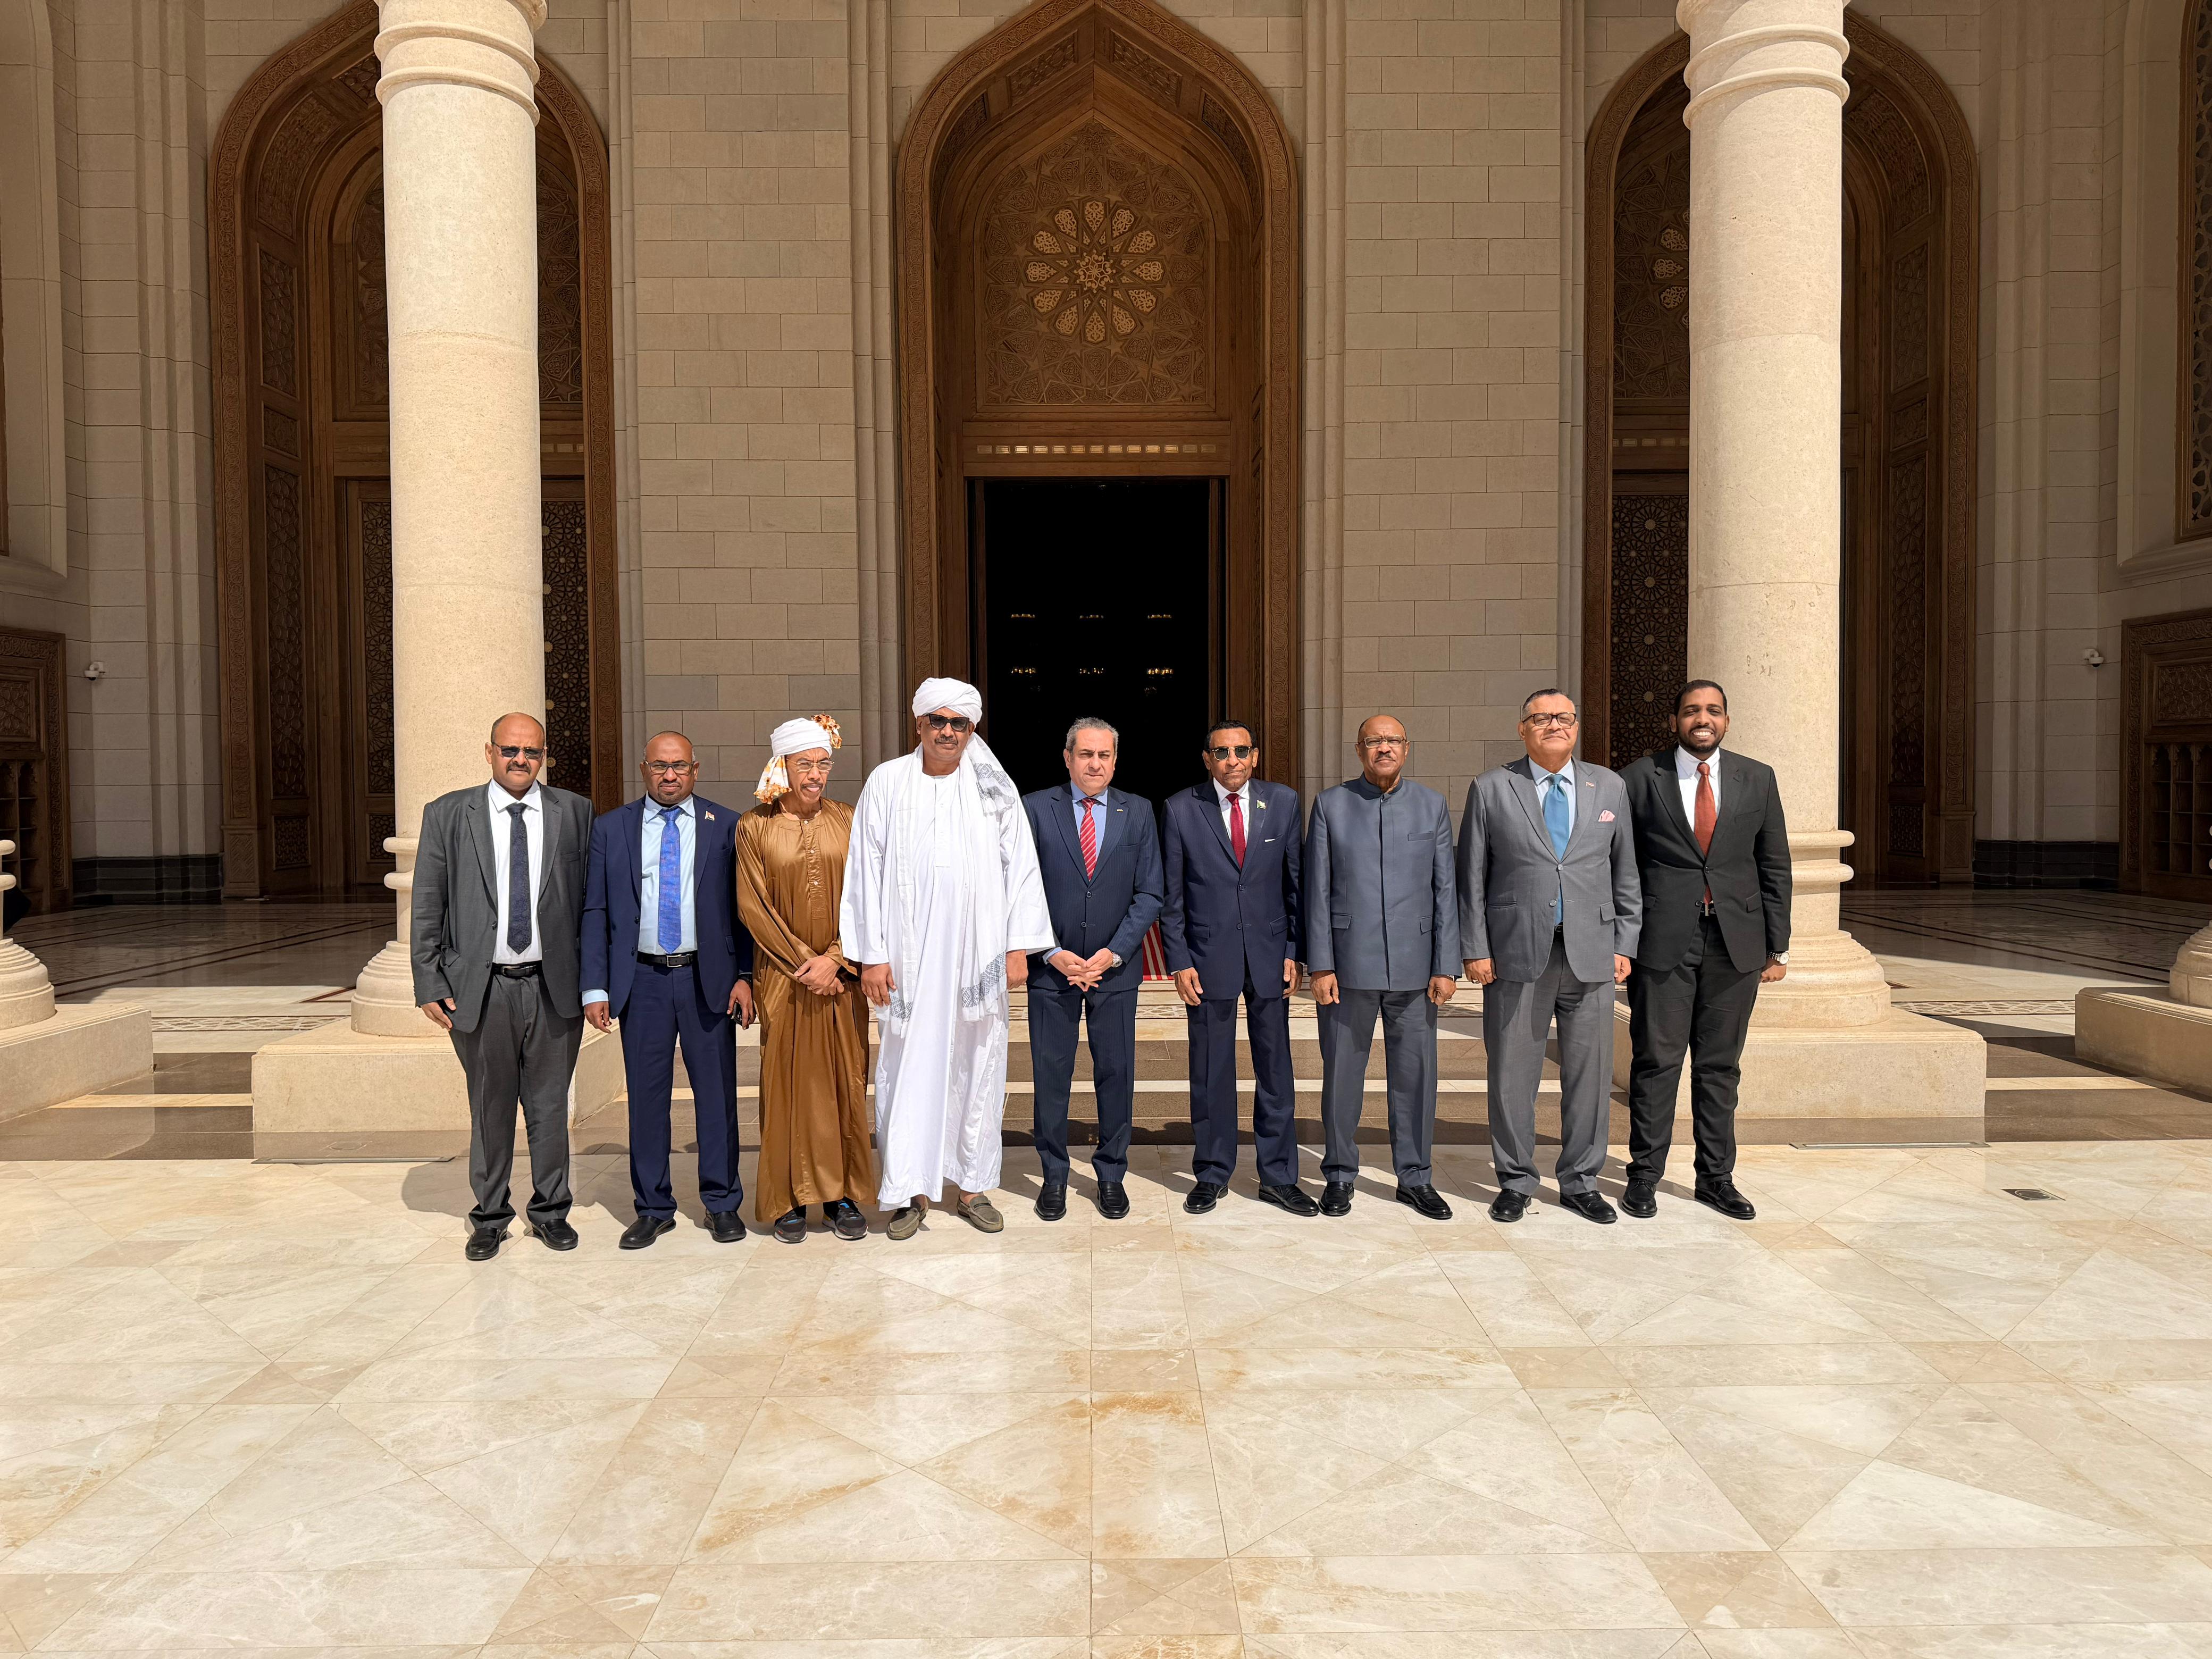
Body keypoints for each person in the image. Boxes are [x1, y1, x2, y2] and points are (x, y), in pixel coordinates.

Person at [842, 679, 1054, 1239]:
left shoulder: (994, 788)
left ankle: (972, 1188)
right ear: (918, 724)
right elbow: (864, 868)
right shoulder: (887, 781)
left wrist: (1017, 945)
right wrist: (872, 956)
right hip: (907, 962)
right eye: (936, 720)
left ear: (971, 729)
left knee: (977, 1065)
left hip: (976, 957)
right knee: (906, 1069)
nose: (946, 731)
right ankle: (909, 1191)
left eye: (958, 723)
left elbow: (1020, 866)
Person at [413, 712, 594, 1260]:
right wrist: (428, 980)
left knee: (549, 1107)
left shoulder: (575, 812)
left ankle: (550, 1211)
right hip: (482, 988)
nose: (521, 760)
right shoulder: (449, 813)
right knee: (490, 1107)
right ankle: (490, 1217)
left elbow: (591, 902)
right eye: (510, 750)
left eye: (532, 752)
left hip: (552, 986)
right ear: (489, 752)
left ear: (544, 757)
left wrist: (595, 982)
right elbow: (428, 901)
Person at [1457, 689, 1641, 1225]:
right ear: (1522, 729)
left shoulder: (1609, 786)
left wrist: (1624, 942)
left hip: (1592, 953)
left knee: (1589, 1076)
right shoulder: (1492, 787)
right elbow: (1472, 877)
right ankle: (1515, 1180)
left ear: (1576, 726)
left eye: (1563, 717)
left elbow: (1626, 872)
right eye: (1541, 718)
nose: (1553, 725)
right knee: (1512, 1076)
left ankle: (1581, 1181)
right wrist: (1475, 948)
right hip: (1515, 953)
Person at [1618, 680, 1791, 1221]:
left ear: (1726, 721)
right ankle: (1644, 1176)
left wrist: (1778, 946)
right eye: (1692, 710)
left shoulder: (1757, 777)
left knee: (1719, 1066)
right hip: (1661, 942)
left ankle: (1715, 1179)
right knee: (1656, 1062)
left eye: (1713, 710)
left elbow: (1774, 863)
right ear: (1674, 721)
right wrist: (1620, 939)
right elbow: (1620, 863)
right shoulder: (1638, 778)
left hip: (1736, 944)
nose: (1702, 719)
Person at [582, 731, 756, 1250]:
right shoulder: (611, 829)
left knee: (717, 1097)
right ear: (644, 770)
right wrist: (595, 987)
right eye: (659, 766)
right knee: (647, 1099)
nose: (670, 775)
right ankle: (654, 1208)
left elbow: (744, 912)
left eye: (679, 765)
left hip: (708, 981)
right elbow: (595, 910)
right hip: (643, 982)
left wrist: (745, 976)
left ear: (695, 769)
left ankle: (722, 1203)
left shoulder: (727, 826)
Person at [1303, 715, 1460, 1220]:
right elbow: (1316, 891)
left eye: (1393, 741)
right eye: (1374, 741)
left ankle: (1415, 1178)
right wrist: (1320, 965)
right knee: (1342, 1078)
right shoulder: (1331, 805)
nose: (1384, 748)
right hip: (1347, 968)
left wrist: (1446, 964)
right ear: (1359, 750)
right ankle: (1339, 1175)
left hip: (1416, 969)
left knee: (1416, 1079)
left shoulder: (1432, 805)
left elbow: (1445, 890)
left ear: (1407, 748)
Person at [1160, 719, 1313, 1215]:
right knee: (1211, 1071)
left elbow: (1297, 884)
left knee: (1276, 1071)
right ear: (1207, 759)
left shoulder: (1283, 802)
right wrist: (1179, 960)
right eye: (1222, 752)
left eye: (1242, 751)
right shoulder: (1181, 808)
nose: (1233, 760)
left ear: (1256, 756)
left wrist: (1295, 950)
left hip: (1271, 957)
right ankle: (1212, 1173)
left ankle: (1279, 1177)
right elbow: (1172, 896)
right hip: (1208, 958)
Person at [738, 715, 875, 1243]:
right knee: (787, 1085)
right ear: (782, 768)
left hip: (843, 979)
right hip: (784, 978)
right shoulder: (753, 827)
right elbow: (754, 907)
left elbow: (868, 897)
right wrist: (807, 964)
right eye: (804, 765)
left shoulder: (849, 819)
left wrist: (836, 959)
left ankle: (842, 1196)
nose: (815, 775)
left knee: (845, 1081)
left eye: (823, 764)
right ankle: (788, 1199)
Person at [1021, 717, 1164, 1222]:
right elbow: (1020, 888)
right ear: (1068, 758)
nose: (1095, 764)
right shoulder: (1035, 808)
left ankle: (1110, 1174)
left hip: (1115, 972)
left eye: (1104, 755)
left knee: (1116, 1074)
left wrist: (1114, 952)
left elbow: (1151, 892)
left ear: (1116, 761)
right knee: (1051, 1076)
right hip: (1052, 970)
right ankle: (1054, 1176)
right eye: (1086, 754)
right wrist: (1050, 951)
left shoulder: (1138, 811)